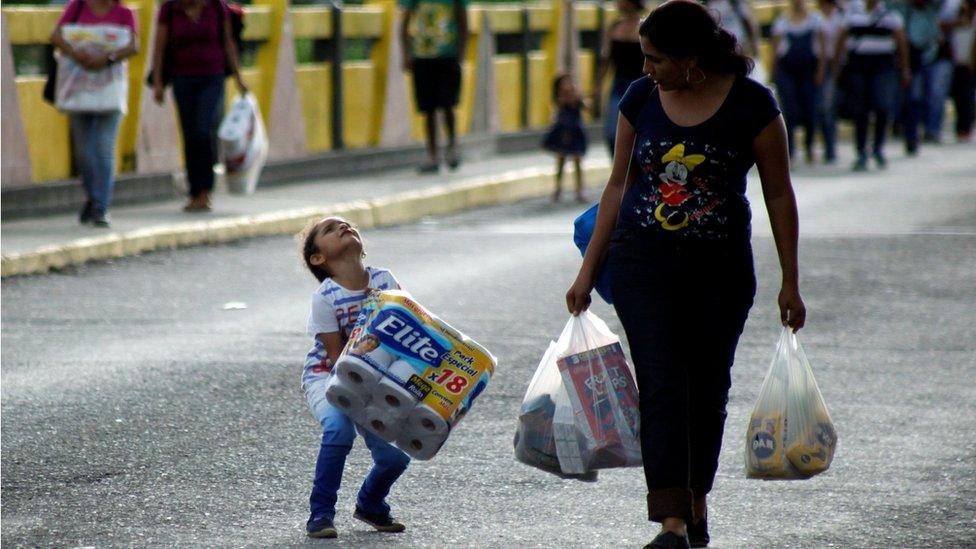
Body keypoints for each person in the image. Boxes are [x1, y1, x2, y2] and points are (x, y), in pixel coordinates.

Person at [564, 2, 806, 547]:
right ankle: (671, 518)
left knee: (707, 388)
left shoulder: (753, 105)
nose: (646, 67)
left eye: (656, 59)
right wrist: (587, 271)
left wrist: (790, 280)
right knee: (661, 384)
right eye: (644, 57)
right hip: (641, 263)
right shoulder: (640, 98)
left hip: (719, 271)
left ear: (691, 59)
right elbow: (617, 187)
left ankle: (697, 501)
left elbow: (778, 194)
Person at [299, 216, 410, 539]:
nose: (343, 227)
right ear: (318, 259)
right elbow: (336, 358)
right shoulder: (325, 297)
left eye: (346, 224)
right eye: (331, 229)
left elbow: (408, 328)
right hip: (329, 377)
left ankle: (371, 504)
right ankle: (320, 514)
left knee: (395, 458)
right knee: (338, 430)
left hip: (375, 378)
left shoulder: (385, 280)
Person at [150, 0, 247, 212]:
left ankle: (206, 190)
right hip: (182, 78)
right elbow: (160, 46)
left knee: (203, 130)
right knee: (190, 134)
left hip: (212, 76)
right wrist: (158, 82)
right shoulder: (170, 9)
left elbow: (228, 41)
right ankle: (194, 191)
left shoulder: (216, 7)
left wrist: (238, 76)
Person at [50, 0, 139, 228]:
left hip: (110, 88)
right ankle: (92, 196)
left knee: (103, 148)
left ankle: (101, 206)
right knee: (83, 151)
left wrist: (107, 58)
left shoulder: (124, 13)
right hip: (78, 88)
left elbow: (133, 45)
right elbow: (56, 36)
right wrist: (76, 53)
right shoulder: (77, 7)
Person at [833, 0, 911, 170]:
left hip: (883, 65)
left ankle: (878, 148)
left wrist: (905, 69)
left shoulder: (891, 15)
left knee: (882, 106)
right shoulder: (853, 14)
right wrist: (837, 67)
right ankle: (861, 151)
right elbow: (842, 39)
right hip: (858, 65)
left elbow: (901, 42)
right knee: (860, 110)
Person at [400, 0, 469, 173]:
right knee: (428, 109)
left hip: (448, 55)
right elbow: (404, 24)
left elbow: (463, 22)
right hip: (422, 56)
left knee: (448, 104)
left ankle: (452, 148)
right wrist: (406, 54)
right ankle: (433, 155)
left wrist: (461, 53)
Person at [771, 0, 828, 162]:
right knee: (790, 110)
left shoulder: (816, 20)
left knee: (810, 109)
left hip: (809, 71)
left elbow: (822, 49)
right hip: (788, 71)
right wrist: (773, 73)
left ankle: (809, 146)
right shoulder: (782, 21)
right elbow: (776, 49)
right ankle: (791, 150)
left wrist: (820, 71)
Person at [595, 0, 645, 157]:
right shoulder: (614, 27)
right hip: (619, 85)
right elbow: (605, 60)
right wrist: (597, 86)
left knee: (640, 130)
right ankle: (619, 169)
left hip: (642, 85)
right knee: (611, 132)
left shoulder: (645, 26)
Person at [898, 0, 945, 154]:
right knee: (912, 99)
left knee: (929, 96)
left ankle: (929, 129)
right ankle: (910, 135)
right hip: (910, 60)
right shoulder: (904, 11)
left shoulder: (931, 11)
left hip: (928, 57)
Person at [542, 74, 588, 203]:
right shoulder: (561, 100)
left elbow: (586, 106)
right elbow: (559, 111)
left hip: (576, 131)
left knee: (577, 160)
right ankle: (558, 189)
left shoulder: (577, 98)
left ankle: (579, 190)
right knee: (561, 161)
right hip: (564, 132)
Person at [817, 0, 846, 162]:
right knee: (822, 108)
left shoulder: (839, 18)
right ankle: (827, 146)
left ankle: (830, 148)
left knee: (828, 107)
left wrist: (834, 69)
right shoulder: (817, 17)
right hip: (819, 65)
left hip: (833, 65)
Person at [949, 0, 976, 140]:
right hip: (957, 63)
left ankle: (966, 127)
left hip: (969, 64)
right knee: (958, 97)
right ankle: (960, 127)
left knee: (967, 96)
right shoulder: (958, 22)